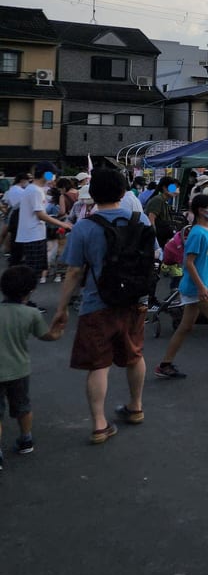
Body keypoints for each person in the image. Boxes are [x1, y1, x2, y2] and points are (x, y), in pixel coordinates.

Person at [51, 169, 150, 445]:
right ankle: (136, 406)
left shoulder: (85, 226)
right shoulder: (139, 219)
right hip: (134, 300)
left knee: (99, 364)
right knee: (135, 355)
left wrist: (61, 308)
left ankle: (99, 424)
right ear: (123, 192)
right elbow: (150, 257)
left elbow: (73, 271)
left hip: (97, 303)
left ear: (92, 195)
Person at [153, 193, 208, 380]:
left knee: (186, 327)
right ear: (202, 210)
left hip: (200, 286)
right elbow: (189, 263)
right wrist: (202, 287)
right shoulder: (196, 233)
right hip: (196, 287)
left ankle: (165, 364)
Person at [0, 265, 63, 467]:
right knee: (23, 407)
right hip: (19, 370)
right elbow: (48, 336)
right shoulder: (31, 314)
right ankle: (25, 438)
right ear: (30, 291)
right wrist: (59, 327)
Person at [15, 165, 73, 284]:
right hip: (33, 235)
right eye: (53, 174)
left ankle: (25, 299)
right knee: (31, 273)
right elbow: (40, 214)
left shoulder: (35, 189)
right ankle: (23, 299)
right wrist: (63, 224)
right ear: (46, 174)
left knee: (33, 271)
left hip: (34, 234)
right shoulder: (35, 190)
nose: (54, 177)